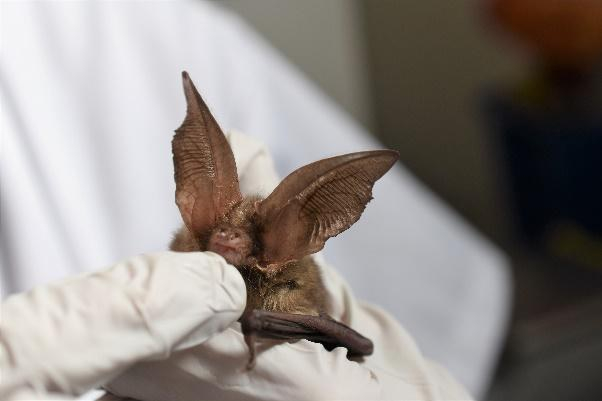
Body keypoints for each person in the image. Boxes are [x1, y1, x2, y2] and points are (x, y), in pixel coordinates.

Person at [0, 1, 510, 398]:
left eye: (238, 238)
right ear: (196, 208)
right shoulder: (191, 249)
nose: (224, 238)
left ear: (275, 249)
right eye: (220, 230)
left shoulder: (136, 26)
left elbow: (445, 313)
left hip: (277, 311)